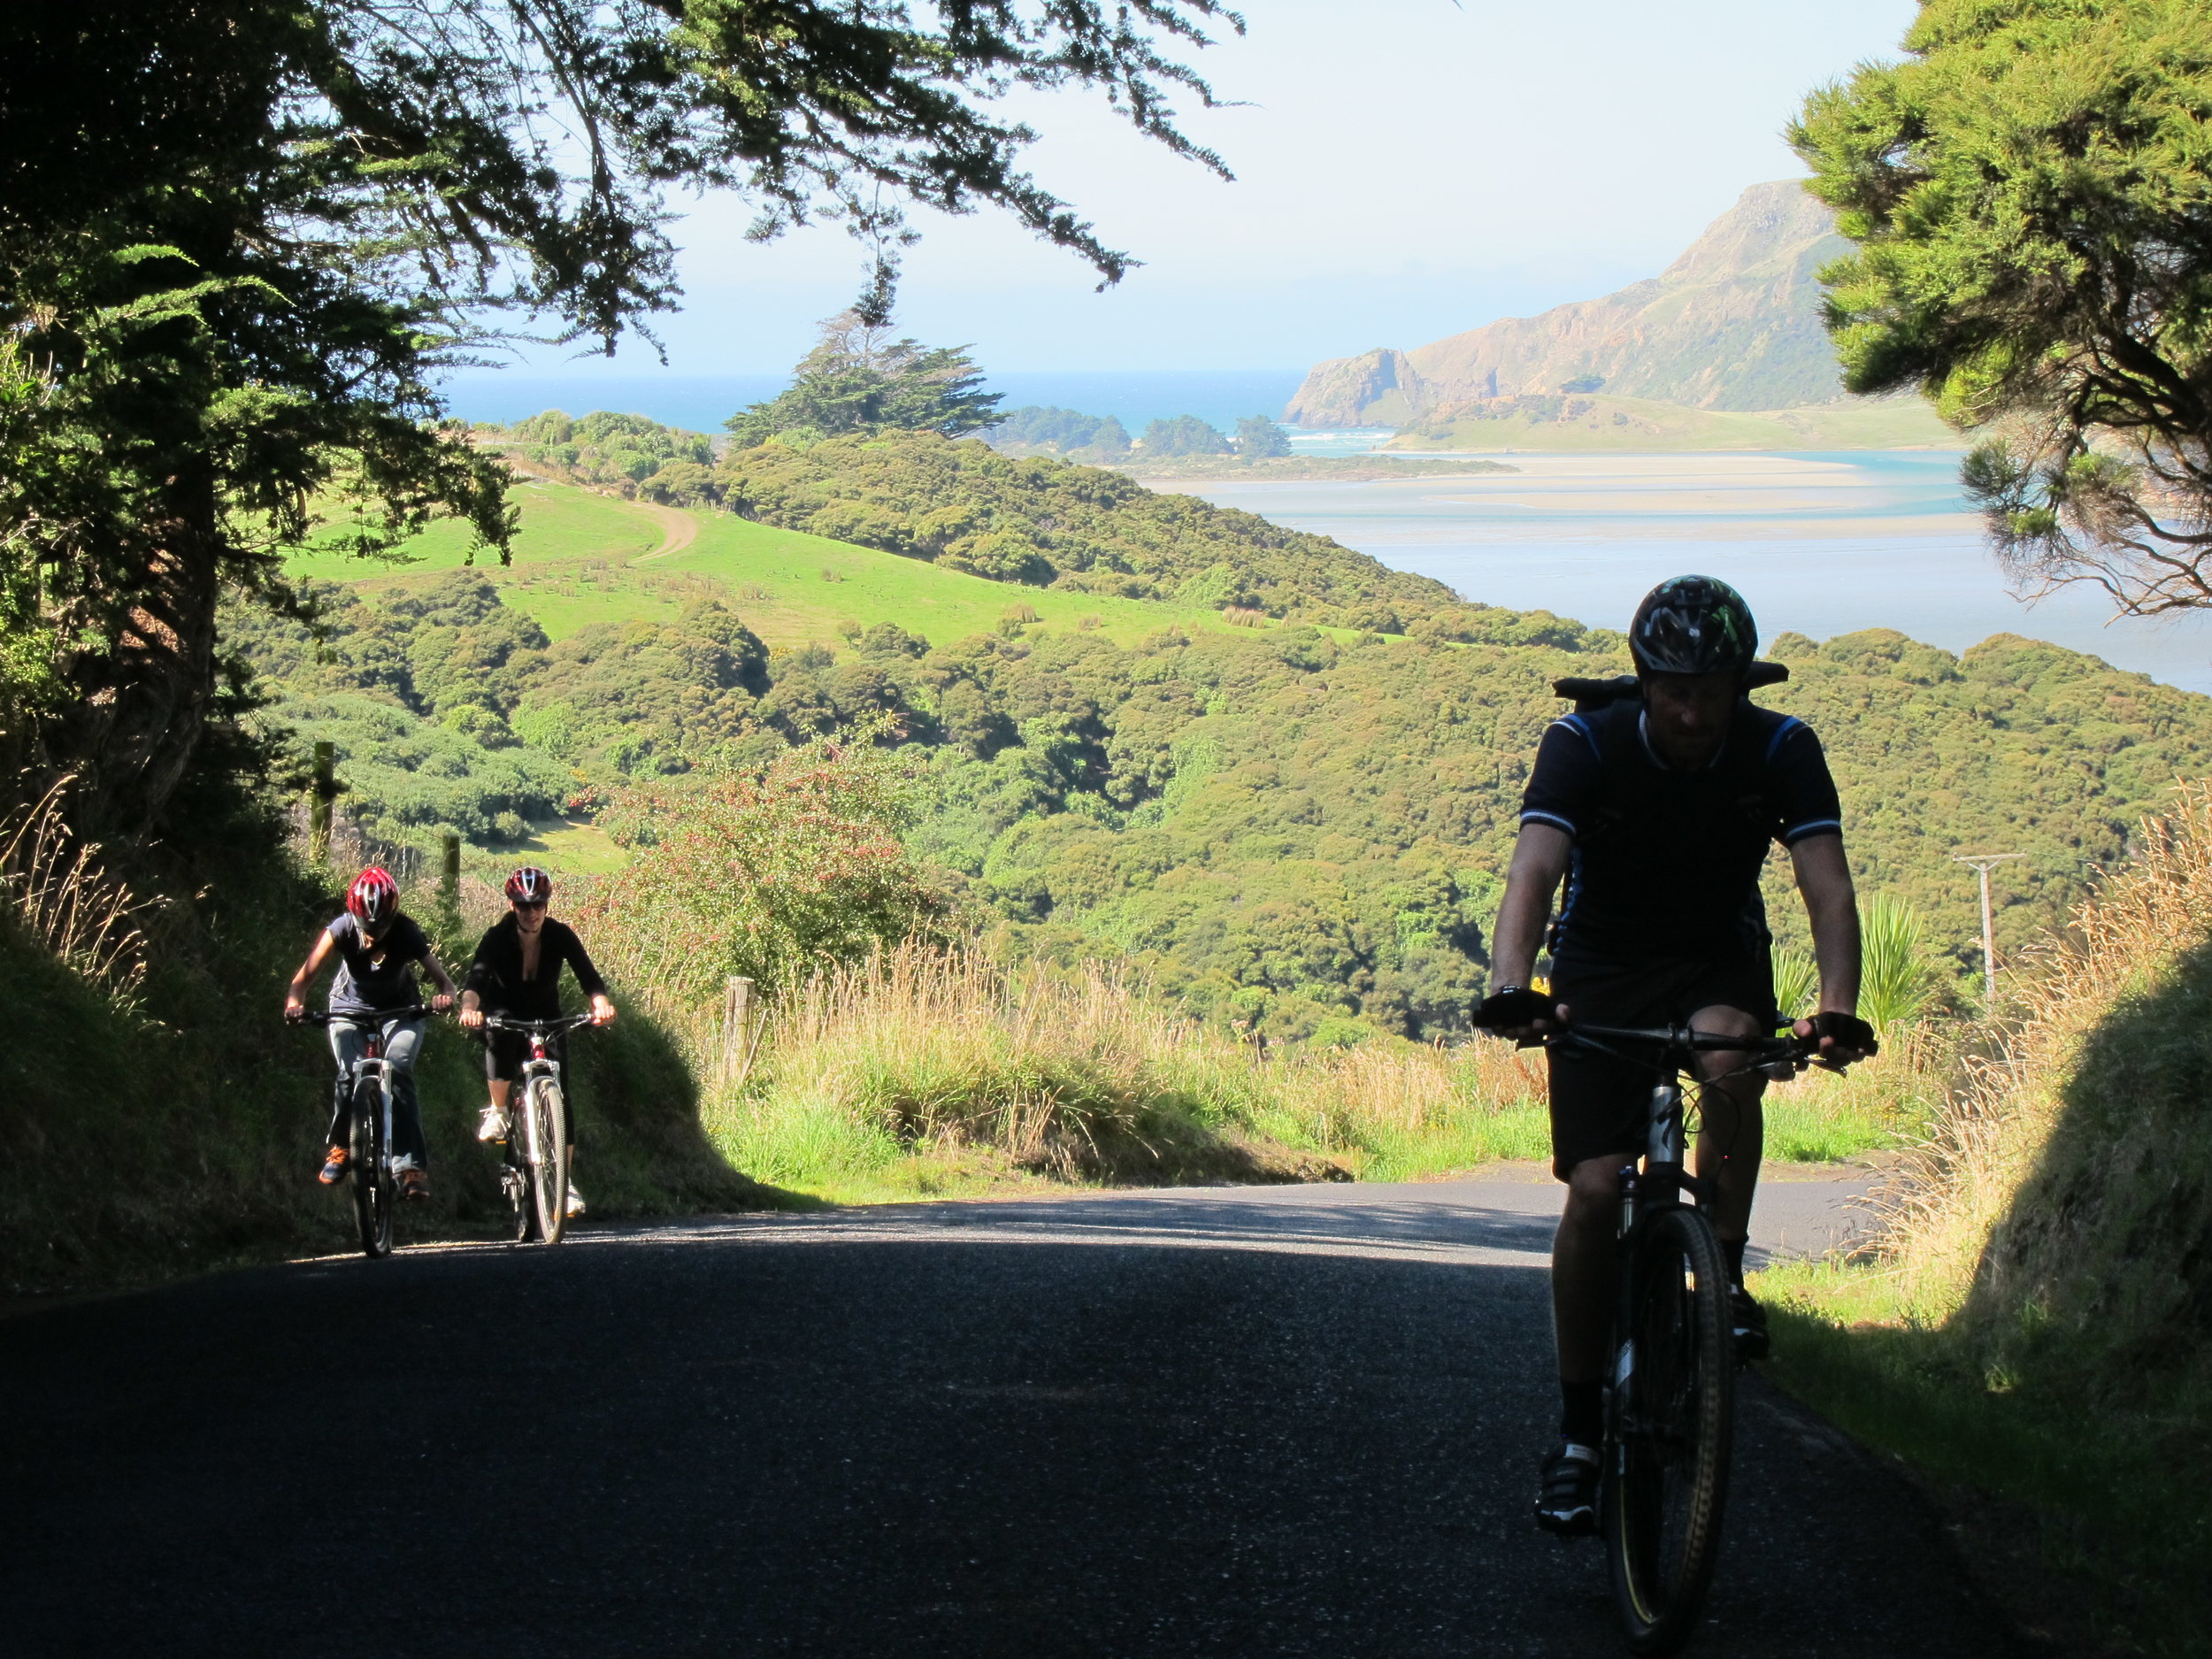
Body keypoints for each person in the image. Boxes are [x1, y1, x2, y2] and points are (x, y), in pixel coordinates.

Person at [1471, 575, 1877, 1538]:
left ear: (1740, 685)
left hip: (1713, 952)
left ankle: (1723, 1275)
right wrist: (1510, 983)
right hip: (1601, 960)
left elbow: (1826, 886)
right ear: (1643, 683)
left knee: (1734, 1056)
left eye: (1711, 690)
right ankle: (1575, 1437)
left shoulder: (1781, 748)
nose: (1692, 710)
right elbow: (1535, 866)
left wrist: (1836, 1010)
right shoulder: (1583, 742)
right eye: (1673, 690)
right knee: (1599, 1187)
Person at [284, 866, 459, 1200]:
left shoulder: (408, 932)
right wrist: (295, 1003)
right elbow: (303, 979)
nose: (373, 934)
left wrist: (444, 998)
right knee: (349, 1073)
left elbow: (445, 983)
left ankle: (410, 1167)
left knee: (399, 1067)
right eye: (366, 926)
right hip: (349, 1008)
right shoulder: (340, 929)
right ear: (354, 915)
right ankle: (342, 1148)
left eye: (381, 927)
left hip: (401, 1010)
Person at [457, 865, 615, 1218]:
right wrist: (470, 1008)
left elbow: (588, 975)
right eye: (523, 906)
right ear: (512, 906)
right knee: (498, 1038)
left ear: (546, 905)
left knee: (563, 1096)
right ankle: (498, 1111)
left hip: (547, 1014)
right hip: (505, 1010)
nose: (531, 913)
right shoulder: (497, 936)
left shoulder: (560, 935)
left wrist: (600, 1003)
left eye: (537, 905)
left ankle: (563, 1181)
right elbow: (476, 978)